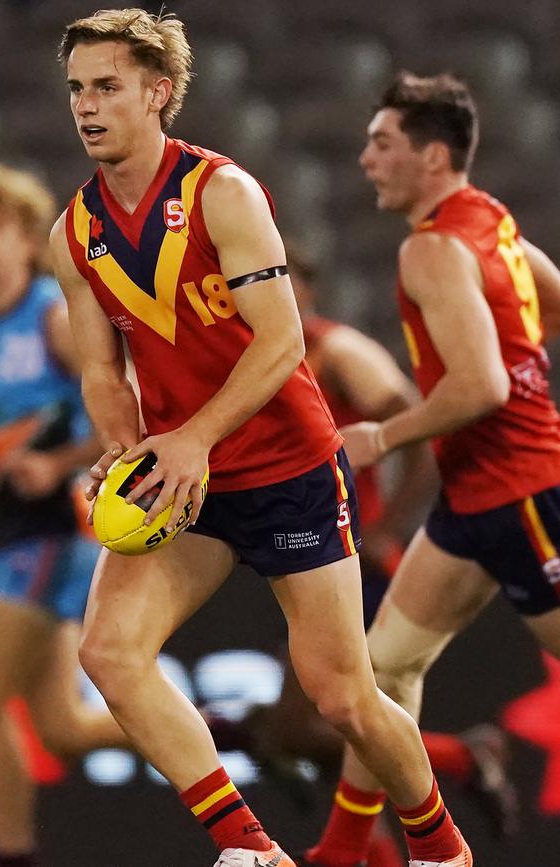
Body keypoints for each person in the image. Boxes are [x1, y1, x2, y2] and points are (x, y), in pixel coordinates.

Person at [51, 10, 471, 867]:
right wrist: (123, 445)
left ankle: (439, 847)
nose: (86, 106)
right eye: (75, 89)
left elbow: (282, 343)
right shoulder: (75, 233)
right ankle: (252, 849)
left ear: (157, 93)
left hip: (284, 468)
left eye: (106, 86)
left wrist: (194, 438)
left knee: (343, 696)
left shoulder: (222, 193)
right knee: (109, 651)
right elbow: (101, 368)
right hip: (183, 479)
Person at [301, 70, 560, 867]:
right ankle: (345, 850)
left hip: (520, 493)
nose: (366, 159)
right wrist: (523, 357)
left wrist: (382, 434)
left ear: (434, 156)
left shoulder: (431, 247)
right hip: (474, 498)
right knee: (380, 670)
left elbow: (479, 386)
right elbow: (548, 301)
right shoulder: (490, 222)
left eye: (383, 144)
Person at [0, 163, 131, 867]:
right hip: (9, 524)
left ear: (25, 240)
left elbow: (116, 404)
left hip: (59, 524)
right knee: (63, 726)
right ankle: (225, 732)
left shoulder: (50, 315)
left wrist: (61, 460)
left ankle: (13, 857)